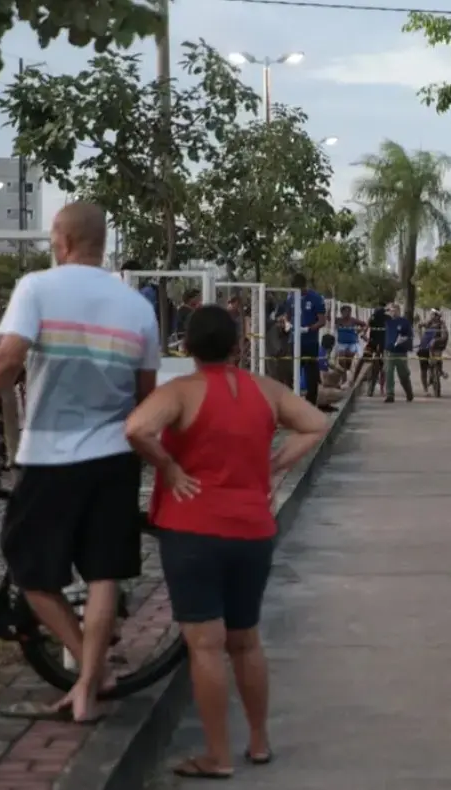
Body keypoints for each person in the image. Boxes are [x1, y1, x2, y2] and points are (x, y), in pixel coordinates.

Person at [0, 202, 160, 724]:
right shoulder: (137, 306)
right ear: (101, 241)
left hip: (51, 455)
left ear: (61, 239)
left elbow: (6, 361)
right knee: (103, 574)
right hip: (115, 456)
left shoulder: (38, 288)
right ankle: (90, 684)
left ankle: (87, 673)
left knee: (28, 569)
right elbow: (145, 393)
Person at [125, 305, 328, 779]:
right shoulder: (265, 390)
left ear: (188, 347)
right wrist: (276, 463)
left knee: (205, 645)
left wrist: (170, 468)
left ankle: (217, 755)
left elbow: (136, 428)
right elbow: (315, 423)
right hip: (252, 530)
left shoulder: (180, 392)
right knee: (245, 640)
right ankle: (258, 742)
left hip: (192, 529)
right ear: (238, 345)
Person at [279, 274, 327, 407]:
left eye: (299, 288)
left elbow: (322, 320)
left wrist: (308, 329)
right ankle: (291, 401)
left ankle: (310, 403)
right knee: (290, 371)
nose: (297, 291)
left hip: (309, 341)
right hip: (293, 340)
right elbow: (287, 316)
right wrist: (287, 324)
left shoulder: (316, 298)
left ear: (304, 285)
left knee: (311, 372)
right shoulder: (291, 297)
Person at [381, 303, 415, 403]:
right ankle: (390, 395)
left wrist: (404, 340)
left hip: (400, 352)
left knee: (404, 374)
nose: (393, 312)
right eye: (391, 310)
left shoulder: (404, 322)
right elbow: (378, 314)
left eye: (395, 310)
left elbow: (409, 335)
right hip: (389, 351)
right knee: (389, 373)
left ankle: (409, 392)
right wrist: (385, 308)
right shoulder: (387, 321)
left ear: (399, 311)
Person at [415, 309, 448, 394]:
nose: (431, 316)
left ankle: (440, 371)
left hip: (436, 347)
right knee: (423, 369)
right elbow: (419, 325)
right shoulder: (428, 323)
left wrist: (436, 340)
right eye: (431, 314)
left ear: (438, 316)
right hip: (425, 347)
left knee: (438, 359)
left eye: (433, 314)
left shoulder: (442, 324)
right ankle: (425, 389)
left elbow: (444, 336)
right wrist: (421, 336)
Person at [332, 304, 365, 371]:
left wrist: (359, 331)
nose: (347, 313)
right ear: (341, 312)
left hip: (352, 343)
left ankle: (349, 372)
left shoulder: (353, 320)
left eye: (349, 312)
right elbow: (328, 318)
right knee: (341, 359)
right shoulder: (338, 320)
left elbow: (364, 324)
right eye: (345, 312)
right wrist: (331, 309)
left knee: (349, 360)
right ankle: (344, 373)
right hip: (341, 343)